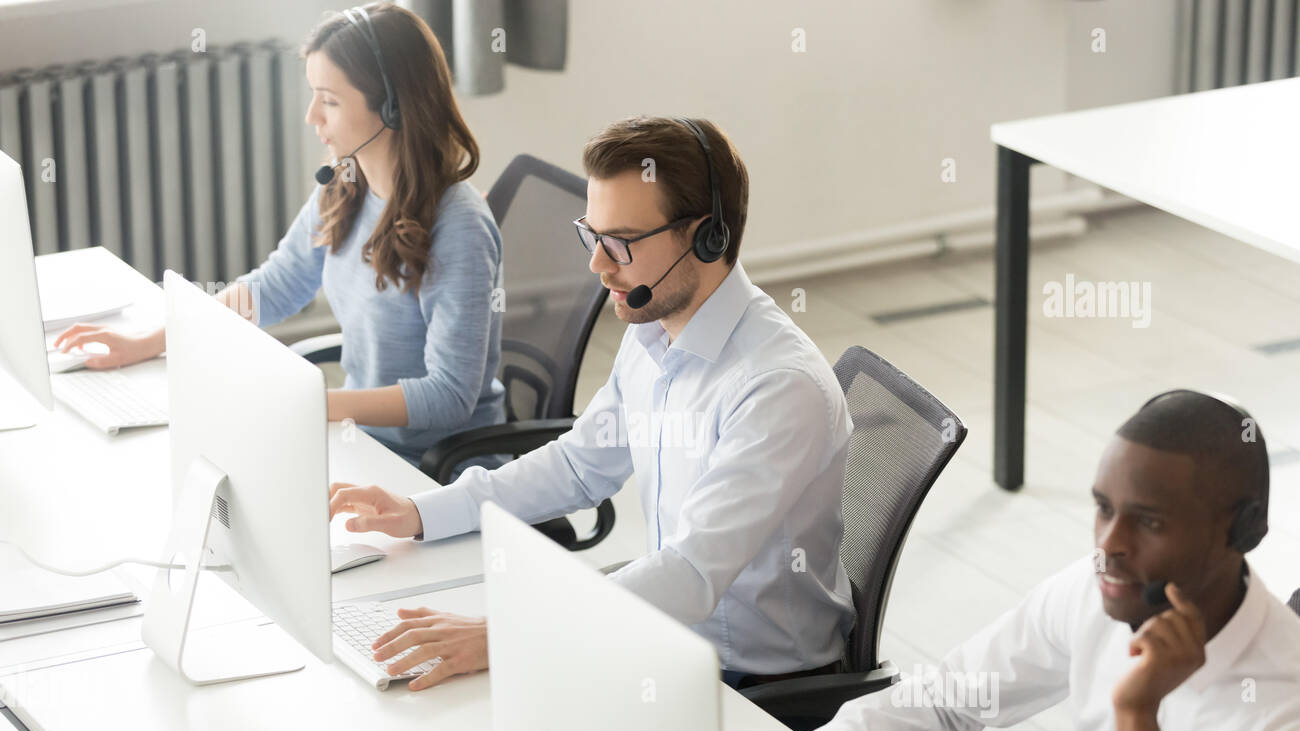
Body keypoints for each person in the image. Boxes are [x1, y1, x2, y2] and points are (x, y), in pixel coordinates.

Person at [329, 115, 857, 692]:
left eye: (621, 243)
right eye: (592, 235)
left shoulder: (778, 386)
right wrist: (425, 512)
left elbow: (691, 573)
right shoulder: (654, 330)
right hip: (670, 639)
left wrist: (505, 631)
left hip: (749, 687)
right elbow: (581, 464)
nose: (597, 265)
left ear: (708, 237)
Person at [724, 390, 1300, 731]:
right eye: (1104, 508)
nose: (1109, 546)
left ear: (1243, 530)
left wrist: (1136, 716)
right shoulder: (1099, 589)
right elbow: (951, 697)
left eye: (1149, 522)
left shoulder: (1286, 717)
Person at [53, 2, 505, 467]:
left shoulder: (459, 227)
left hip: (436, 466)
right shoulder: (347, 184)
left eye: (329, 100)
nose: (312, 116)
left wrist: (316, 406)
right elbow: (275, 286)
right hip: (361, 441)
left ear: (392, 108)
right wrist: (150, 342)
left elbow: (450, 395)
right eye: (313, 94)